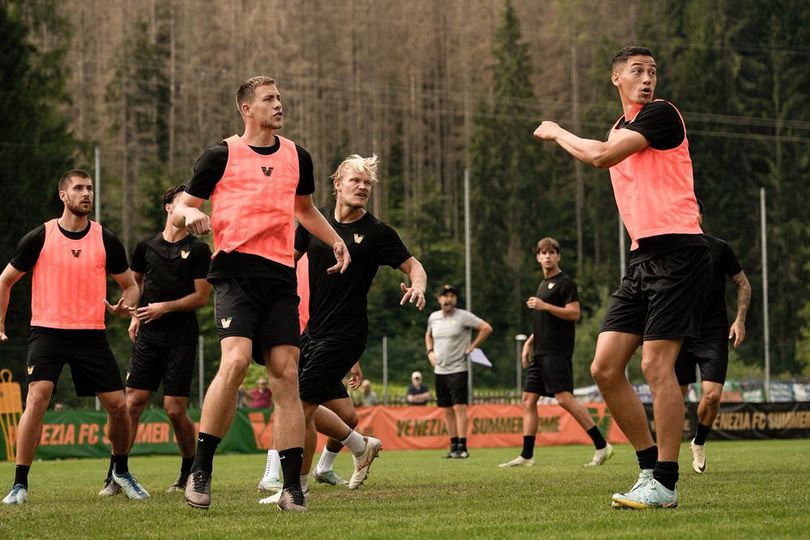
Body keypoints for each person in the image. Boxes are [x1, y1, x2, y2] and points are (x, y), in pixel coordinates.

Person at [533, 46, 712, 509]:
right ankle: (648, 470)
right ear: (616, 79)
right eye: (637, 71)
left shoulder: (661, 115)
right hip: (642, 258)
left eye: (653, 71)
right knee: (605, 368)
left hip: (680, 251)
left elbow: (601, 158)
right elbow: (606, 149)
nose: (648, 78)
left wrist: (556, 131)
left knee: (656, 365)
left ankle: (667, 484)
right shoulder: (620, 127)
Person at [172, 75, 350, 512]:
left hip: (279, 278)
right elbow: (182, 206)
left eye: (280, 97)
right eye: (269, 99)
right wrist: (187, 216)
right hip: (234, 274)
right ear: (246, 109)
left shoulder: (297, 156)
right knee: (233, 363)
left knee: (286, 375)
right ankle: (201, 470)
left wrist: (336, 240)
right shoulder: (220, 154)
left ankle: (292, 488)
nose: (279, 104)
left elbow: (305, 210)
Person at [258, 153, 427, 501]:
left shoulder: (377, 232)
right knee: (310, 403)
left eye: (368, 183)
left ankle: (295, 488)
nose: (363, 187)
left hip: (346, 335)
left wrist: (419, 285)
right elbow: (287, 260)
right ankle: (358, 447)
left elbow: (415, 266)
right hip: (313, 333)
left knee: (301, 404)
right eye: (356, 180)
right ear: (338, 184)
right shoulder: (313, 221)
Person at [1, 169, 148, 505]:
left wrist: (124, 305)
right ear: (63, 196)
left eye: (90, 188)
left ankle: (121, 472)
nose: (86, 194)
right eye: (79, 188)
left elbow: (131, 285)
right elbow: (5, 280)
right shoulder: (40, 236)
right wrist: (0, 322)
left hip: (90, 336)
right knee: (37, 398)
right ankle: (19, 485)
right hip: (48, 333)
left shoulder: (106, 239)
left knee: (119, 407)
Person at [98, 184, 212, 497]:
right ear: (168, 208)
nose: (190, 209)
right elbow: (134, 286)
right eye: (183, 203)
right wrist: (134, 314)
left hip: (181, 337)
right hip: (149, 336)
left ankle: (189, 471)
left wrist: (165, 307)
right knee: (131, 403)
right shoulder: (145, 246)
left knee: (175, 410)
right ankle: (116, 473)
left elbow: (201, 297)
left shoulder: (199, 250)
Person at [500, 237, 614, 469]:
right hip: (540, 352)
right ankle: (527, 455)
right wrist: (529, 342)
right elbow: (543, 322)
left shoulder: (565, 283)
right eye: (543, 252)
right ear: (538, 257)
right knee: (528, 399)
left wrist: (544, 305)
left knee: (564, 399)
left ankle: (602, 445)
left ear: (558, 256)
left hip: (556, 351)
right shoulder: (543, 284)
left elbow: (574, 313)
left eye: (552, 252)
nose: (548, 256)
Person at [676, 201, 750, 474]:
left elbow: (743, 282)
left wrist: (739, 320)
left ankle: (699, 441)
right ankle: (664, 460)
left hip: (713, 334)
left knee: (713, 396)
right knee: (674, 398)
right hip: (679, 333)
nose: (689, 214)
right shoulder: (670, 251)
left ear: (700, 215)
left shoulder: (719, 248)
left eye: (693, 209)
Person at [425, 284, 493, 459]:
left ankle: (463, 447)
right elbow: (428, 335)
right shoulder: (433, 317)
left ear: (455, 300)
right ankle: (453, 446)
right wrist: (430, 352)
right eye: (445, 296)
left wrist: (472, 347)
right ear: (439, 299)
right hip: (440, 371)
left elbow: (486, 328)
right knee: (447, 410)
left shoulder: (463, 316)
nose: (448, 299)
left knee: (459, 409)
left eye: (452, 296)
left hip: (458, 369)